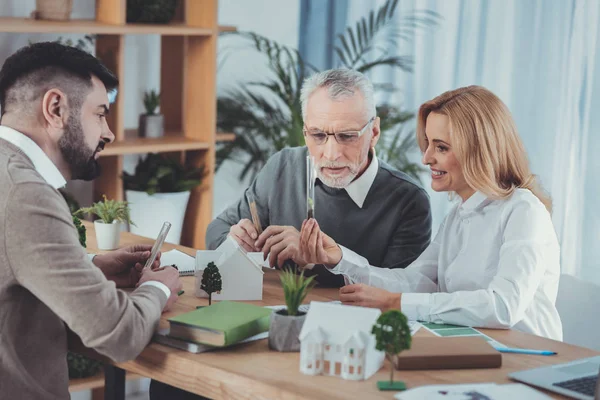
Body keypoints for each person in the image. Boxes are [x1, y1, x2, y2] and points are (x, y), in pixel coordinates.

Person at [298, 85, 562, 340]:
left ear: (479, 150)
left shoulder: (524, 211)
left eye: (441, 147)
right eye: (428, 144)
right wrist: (340, 258)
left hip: (530, 357)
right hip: (476, 349)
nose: (426, 158)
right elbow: (414, 281)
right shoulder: (458, 215)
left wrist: (398, 303)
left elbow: (503, 306)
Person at [0, 42, 183, 400]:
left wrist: (90, 266)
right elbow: (119, 335)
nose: (109, 133)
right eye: (100, 113)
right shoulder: (26, 194)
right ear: (55, 108)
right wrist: (158, 289)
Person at [206, 68, 432, 288]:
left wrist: (313, 260)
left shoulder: (409, 200)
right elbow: (216, 231)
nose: (331, 154)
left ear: (374, 132)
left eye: (347, 136)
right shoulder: (281, 167)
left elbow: (401, 290)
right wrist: (235, 242)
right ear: (305, 131)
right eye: (318, 135)